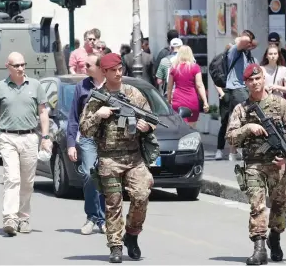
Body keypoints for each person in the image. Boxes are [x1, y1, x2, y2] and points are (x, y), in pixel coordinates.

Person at [79, 53, 154, 263]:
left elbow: (149, 117)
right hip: (109, 158)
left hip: (134, 158)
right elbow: (84, 130)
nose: (119, 73)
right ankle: (115, 246)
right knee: (113, 204)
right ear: (104, 72)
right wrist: (98, 115)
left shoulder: (133, 93)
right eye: (114, 70)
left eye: (121, 69)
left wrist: (146, 126)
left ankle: (131, 234)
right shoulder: (96, 98)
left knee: (141, 195)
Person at [226, 63, 286, 265]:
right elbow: (231, 138)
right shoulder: (241, 110)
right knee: (257, 206)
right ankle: (259, 248)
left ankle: (274, 238)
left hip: (278, 166)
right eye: (250, 80)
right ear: (246, 83)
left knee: (279, 206)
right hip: (253, 165)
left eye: (258, 78)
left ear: (264, 79)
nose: (255, 83)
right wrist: (248, 128)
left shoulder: (280, 105)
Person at [0, 52, 52, 236]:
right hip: (7, 137)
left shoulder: (36, 85)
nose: (21, 68)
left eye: (23, 65)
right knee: (12, 178)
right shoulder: (0, 87)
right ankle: (10, 218)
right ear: (8, 66)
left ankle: (23, 217)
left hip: (30, 137)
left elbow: (43, 113)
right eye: (17, 65)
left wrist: (45, 138)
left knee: (27, 182)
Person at [67, 53, 107, 235]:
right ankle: (92, 217)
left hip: (109, 139)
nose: (84, 68)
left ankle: (104, 218)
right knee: (90, 175)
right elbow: (73, 117)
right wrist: (70, 143)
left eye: (88, 65)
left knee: (107, 179)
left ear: (99, 68)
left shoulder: (112, 86)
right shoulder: (81, 87)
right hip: (87, 138)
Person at [216, 30, 258, 161]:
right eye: (247, 40)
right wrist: (240, 40)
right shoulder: (235, 49)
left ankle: (234, 151)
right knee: (241, 119)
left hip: (243, 89)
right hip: (236, 89)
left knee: (238, 120)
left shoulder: (247, 54)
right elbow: (245, 40)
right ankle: (232, 150)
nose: (249, 43)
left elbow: (256, 43)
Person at [166, 45, 209, 127]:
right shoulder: (195, 67)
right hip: (191, 101)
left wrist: (168, 100)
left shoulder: (174, 68)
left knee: (178, 127)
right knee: (191, 128)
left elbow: (169, 86)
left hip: (177, 100)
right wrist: (205, 101)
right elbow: (199, 85)